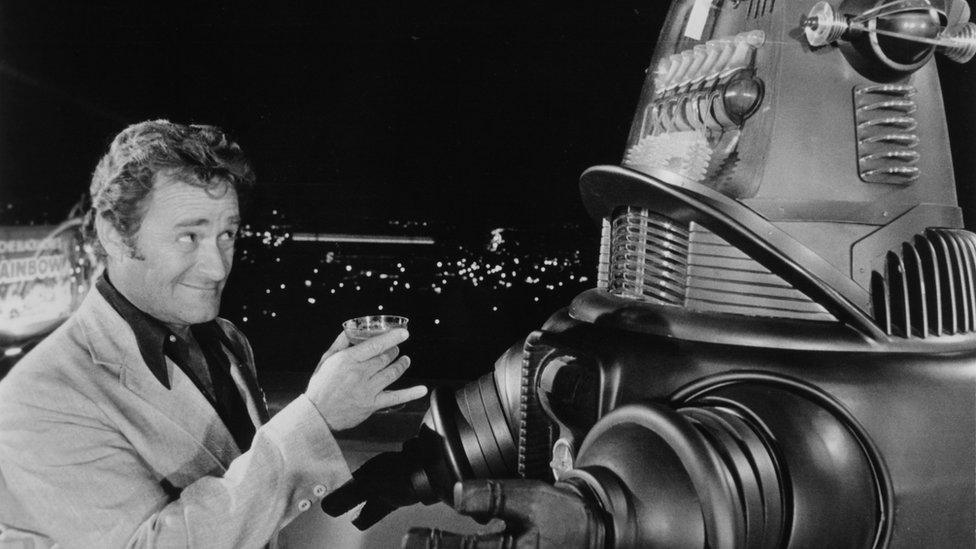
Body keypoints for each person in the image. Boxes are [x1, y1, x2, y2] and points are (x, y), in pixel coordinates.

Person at [0, 120, 428, 548]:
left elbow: (237, 489)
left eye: (227, 234)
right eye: (189, 236)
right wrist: (315, 417)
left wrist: (323, 407)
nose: (218, 267)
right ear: (115, 235)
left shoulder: (224, 339)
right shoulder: (39, 394)